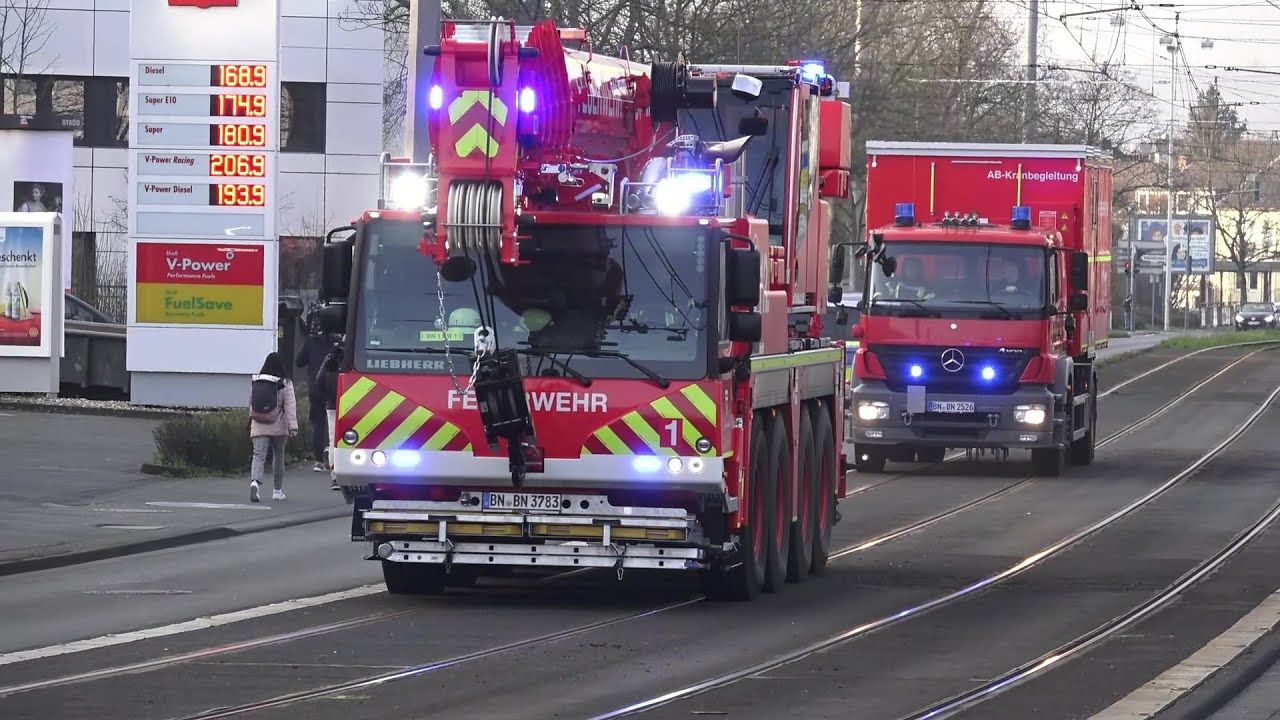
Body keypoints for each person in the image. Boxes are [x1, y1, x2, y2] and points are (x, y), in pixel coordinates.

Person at [249, 352, 298, 503]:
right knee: (278, 456)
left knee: (259, 456)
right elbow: (290, 406)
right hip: (279, 425)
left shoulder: (257, 380)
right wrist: (293, 427)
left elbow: (251, 403)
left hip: (259, 423)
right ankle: (277, 491)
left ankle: (255, 483)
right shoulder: (285, 382)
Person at [296, 299, 331, 473]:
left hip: (315, 388)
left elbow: (299, 361)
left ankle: (318, 459)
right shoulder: (334, 341)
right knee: (332, 421)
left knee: (318, 423)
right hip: (332, 387)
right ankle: (330, 451)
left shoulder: (311, 342)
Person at [317, 338, 344, 490]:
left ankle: (334, 475)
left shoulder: (328, 360)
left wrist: (326, 397)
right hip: (348, 406)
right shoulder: (349, 360)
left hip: (331, 406)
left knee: (333, 440)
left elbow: (318, 381)